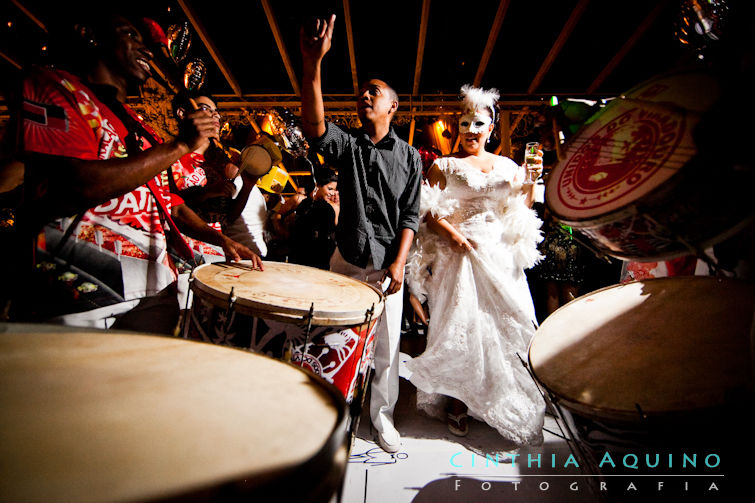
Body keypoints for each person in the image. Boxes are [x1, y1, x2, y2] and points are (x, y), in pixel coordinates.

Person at [15, 10, 260, 331]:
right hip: (82, 286)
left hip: (154, 284)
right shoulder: (53, 86)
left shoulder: (142, 129)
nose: (146, 49)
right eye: (131, 35)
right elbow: (75, 183)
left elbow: (168, 201)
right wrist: (180, 146)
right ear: (90, 34)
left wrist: (219, 239)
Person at [300, 15, 423, 453]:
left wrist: (398, 263)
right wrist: (312, 65)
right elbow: (314, 128)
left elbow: (411, 214)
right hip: (347, 260)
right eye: (361, 92)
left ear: (393, 105)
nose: (364, 95)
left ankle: (382, 417)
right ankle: (337, 412)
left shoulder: (410, 158)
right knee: (337, 341)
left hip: (389, 267)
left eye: (374, 91)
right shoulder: (347, 144)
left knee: (389, 348)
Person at [405, 85, 545, 444]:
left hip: (499, 256)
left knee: (502, 326)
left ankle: (499, 397)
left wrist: (532, 178)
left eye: (477, 124)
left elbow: (521, 209)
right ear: (457, 126)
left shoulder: (508, 165)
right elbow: (427, 210)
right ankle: (458, 402)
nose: (470, 130)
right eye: (464, 123)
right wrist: (452, 235)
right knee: (463, 325)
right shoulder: (444, 165)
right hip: (460, 256)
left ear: (490, 128)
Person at [289, 168, 339, 269]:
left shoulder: (331, 208)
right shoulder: (304, 204)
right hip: (298, 259)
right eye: (330, 189)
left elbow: (334, 236)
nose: (333, 193)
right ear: (318, 186)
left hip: (320, 261)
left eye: (335, 189)